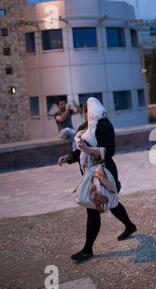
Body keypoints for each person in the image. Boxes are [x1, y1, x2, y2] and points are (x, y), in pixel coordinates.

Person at [57, 98, 137, 263]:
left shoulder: (103, 125)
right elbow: (80, 151)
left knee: (93, 209)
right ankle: (130, 226)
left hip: (104, 173)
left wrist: (89, 150)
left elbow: (110, 151)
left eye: (85, 111)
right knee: (111, 202)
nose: (84, 115)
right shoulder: (85, 127)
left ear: (90, 111)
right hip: (90, 173)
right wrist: (69, 157)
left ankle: (87, 249)